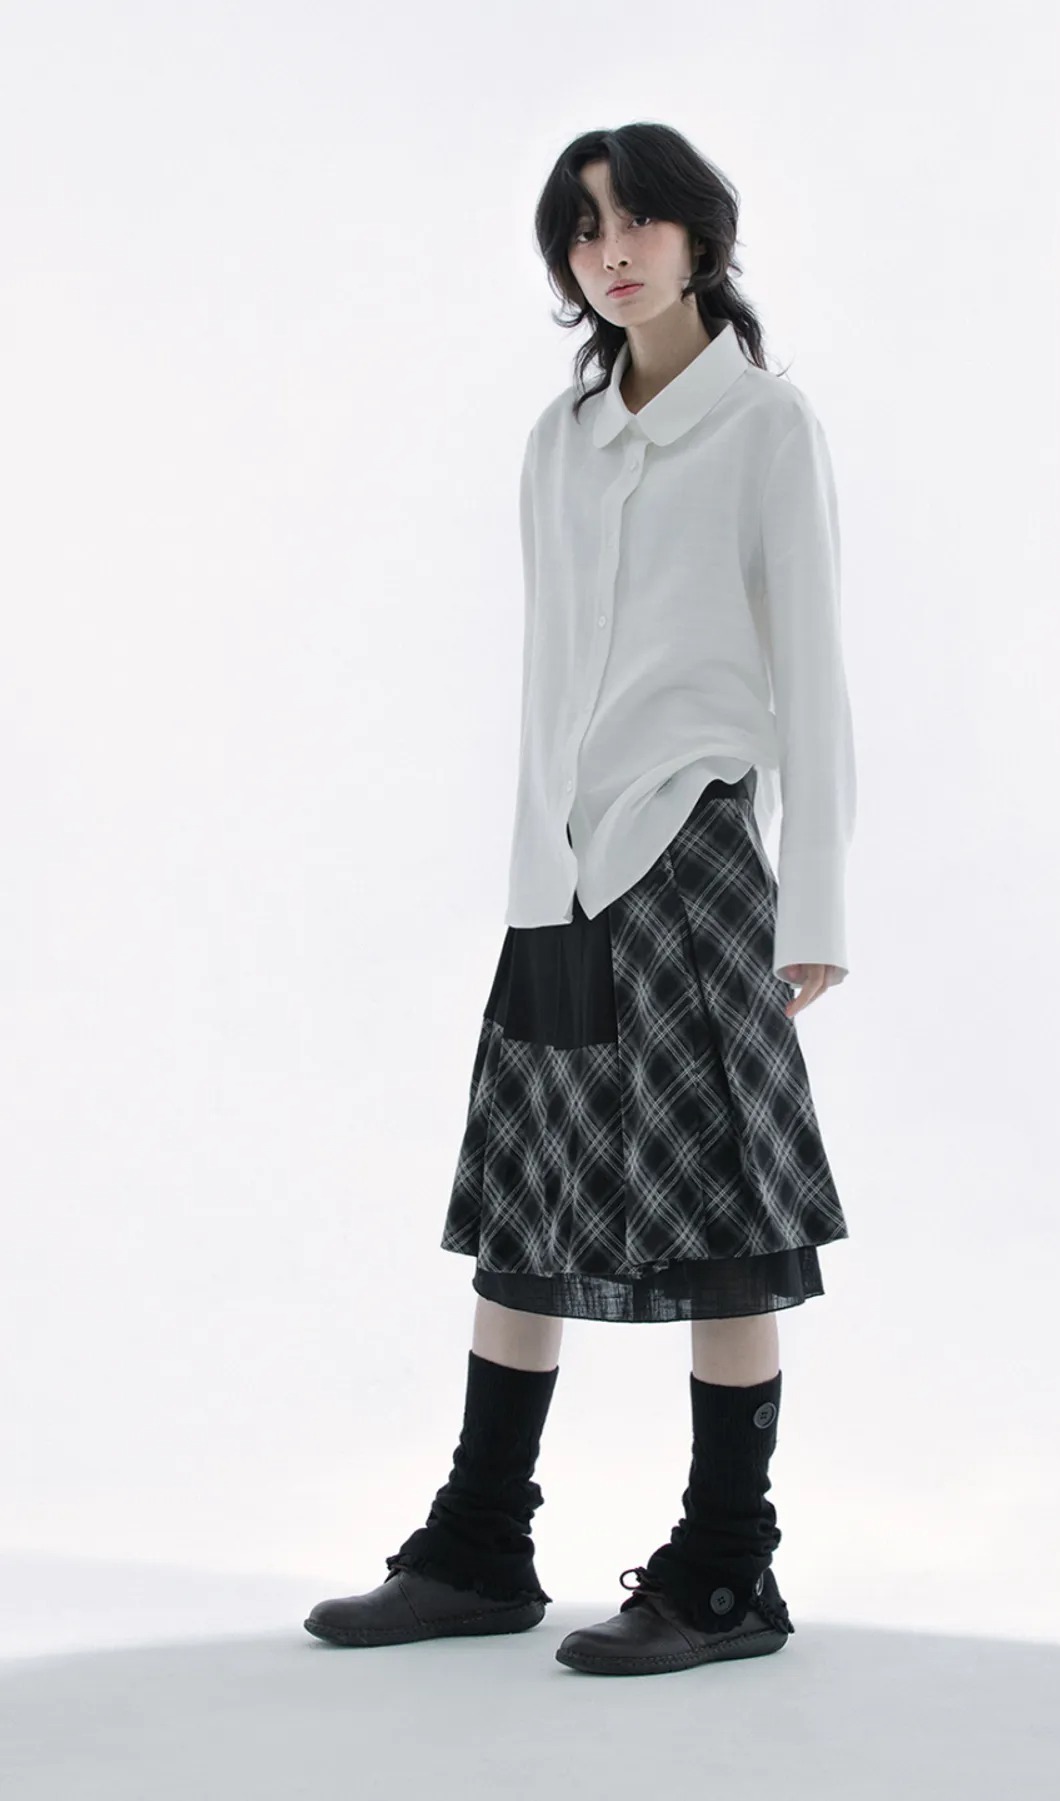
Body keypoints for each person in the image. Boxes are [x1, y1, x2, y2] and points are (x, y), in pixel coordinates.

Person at [305, 120, 856, 1677]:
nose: (611, 252)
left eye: (638, 222)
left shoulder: (767, 427)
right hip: (558, 867)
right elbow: (547, 671)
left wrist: (814, 903)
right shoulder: (561, 438)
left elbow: (815, 668)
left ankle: (729, 1569)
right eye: (584, 229)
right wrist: (528, 869)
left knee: (723, 1217)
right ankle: (481, 1545)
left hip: (694, 850)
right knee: (526, 1212)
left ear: (700, 239)